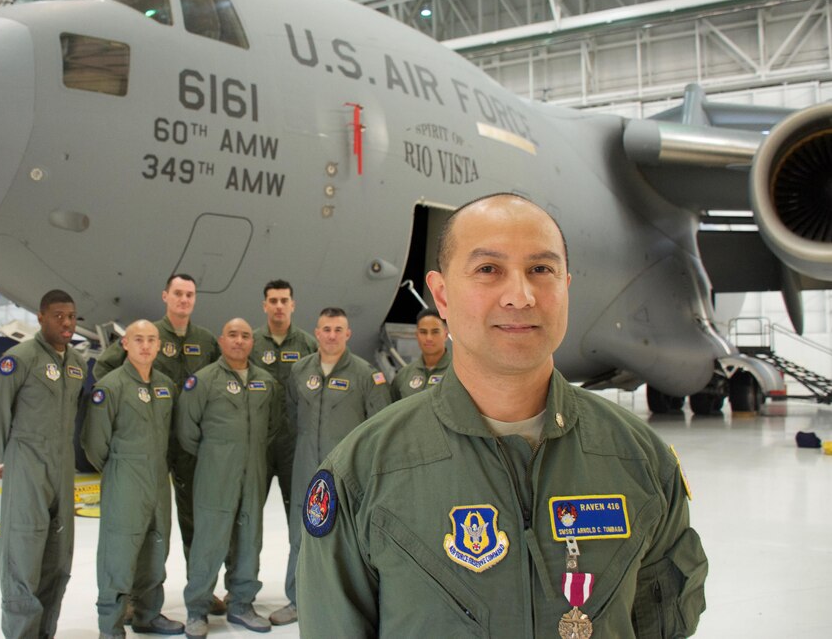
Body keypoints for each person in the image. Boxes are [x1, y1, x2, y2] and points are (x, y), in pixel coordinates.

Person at [297, 194, 708, 637]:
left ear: (565, 285)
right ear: (441, 295)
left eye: (541, 270)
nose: (520, 296)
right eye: (488, 270)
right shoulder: (363, 472)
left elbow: (663, 623)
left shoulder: (640, 459)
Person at [0, 290, 87, 639]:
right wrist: (5, 455)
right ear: (40, 317)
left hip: (62, 467)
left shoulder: (77, 364)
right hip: (28, 466)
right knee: (22, 559)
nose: (66, 323)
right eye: (58, 316)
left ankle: (45, 633)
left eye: (71, 316)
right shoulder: (18, 359)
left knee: (57, 560)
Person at [275, 307, 391, 626]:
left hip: (347, 471)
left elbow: (380, 426)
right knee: (301, 532)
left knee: (347, 537)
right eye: (326, 329)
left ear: (348, 334)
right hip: (305, 468)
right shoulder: (299, 371)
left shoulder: (366, 374)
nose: (331, 335)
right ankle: (297, 599)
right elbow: (291, 414)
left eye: (338, 330)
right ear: (316, 332)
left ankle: (345, 603)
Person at [175, 318, 278, 638]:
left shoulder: (266, 381)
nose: (239, 341)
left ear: (253, 342)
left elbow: (272, 426)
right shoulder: (203, 381)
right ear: (221, 341)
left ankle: (242, 603)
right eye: (232, 334)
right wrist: (218, 455)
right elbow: (187, 431)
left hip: (253, 474)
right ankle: (197, 608)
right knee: (209, 541)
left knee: (249, 541)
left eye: (245, 336)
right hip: (215, 475)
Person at [82, 320, 184, 638]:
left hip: (157, 479)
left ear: (158, 345)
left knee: (156, 547)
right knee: (118, 553)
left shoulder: (166, 386)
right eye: (138, 339)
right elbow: (94, 445)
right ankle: (110, 627)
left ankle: (148, 614)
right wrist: (119, 470)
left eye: (151, 340)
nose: (145, 346)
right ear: (125, 344)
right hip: (124, 479)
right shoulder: (110, 387)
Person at [153, 274, 223, 616]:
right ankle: (138, 597)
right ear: (165, 296)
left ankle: (202, 589)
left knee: (195, 520)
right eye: (177, 293)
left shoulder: (206, 341)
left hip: (191, 446)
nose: (183, 300)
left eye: (189, 295)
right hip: (152, 442)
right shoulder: (147, 335)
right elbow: (110, 370)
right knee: (148, 522)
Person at [249, 280, 317, 527]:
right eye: (273, 301)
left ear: (293, 305)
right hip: (259, 443)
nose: (279, 306)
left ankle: (300, 566)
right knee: (249, 514)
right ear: (265, 305)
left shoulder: (308, 346)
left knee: (300, 516)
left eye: (284, 301)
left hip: (294, 445)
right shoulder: (251, 343)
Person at [390, 307, 451, 401]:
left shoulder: (458, 373)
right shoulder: (403, 376)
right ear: (417, 335)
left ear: (446, 335)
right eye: (423, 332)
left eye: (435, 332)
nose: (429, 338)